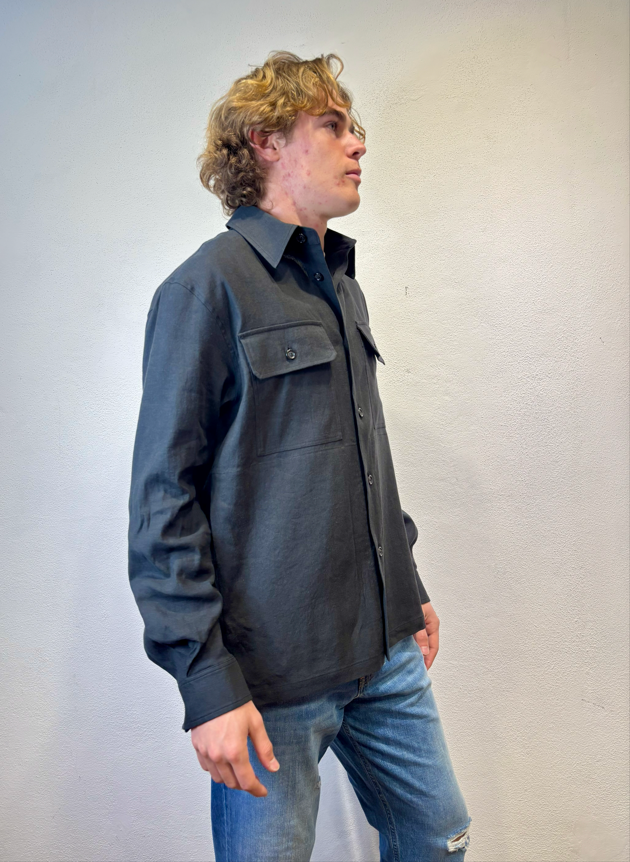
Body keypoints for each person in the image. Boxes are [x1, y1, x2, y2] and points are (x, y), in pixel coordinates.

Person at [127, 50, 471, 861]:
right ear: (266, 141)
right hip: (271, 678)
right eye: (333, 125)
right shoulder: (204, 289)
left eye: (355, 127)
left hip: (384, 651)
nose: (358, 143)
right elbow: (163, 503)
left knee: (439, 835)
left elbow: (361, 456)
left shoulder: (340, 283)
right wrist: (207, 686)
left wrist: (407, 587)